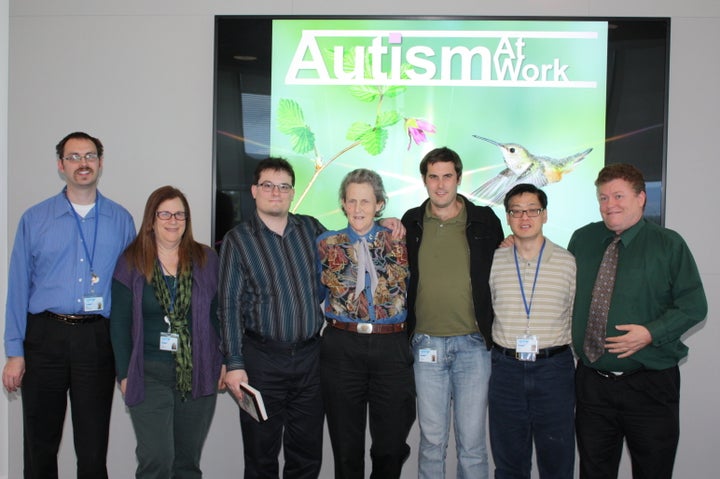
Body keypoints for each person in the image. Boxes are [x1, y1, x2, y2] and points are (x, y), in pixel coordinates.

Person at [219, 157, 404, 478]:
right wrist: (234, 363)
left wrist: (390, 221)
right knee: (261, 455)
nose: (275, 193)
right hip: (262, 361)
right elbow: (228, 304)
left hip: (310, 361)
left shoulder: (311, 230)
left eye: (283, 186)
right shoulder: (238, 240)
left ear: (293, 192)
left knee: (306, 457)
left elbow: (351, 247)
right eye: (268, 185)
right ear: (254, 191)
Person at [2, 131, 135, 479]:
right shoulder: (35, 219)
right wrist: (14, 352)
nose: (83, 163)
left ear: (101, 162)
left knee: (93, 450)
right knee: (40, 445)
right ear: (61, 165)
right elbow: (17, 286)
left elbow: (129, 294)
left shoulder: (121, 220)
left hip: (96, 341)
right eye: (73, 157)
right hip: (44, 337)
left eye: (89, 156)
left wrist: (129, 355)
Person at [569, 163, 707, 479]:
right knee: (594, 471)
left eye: (618, 196)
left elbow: (694, 305)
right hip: (592, 384)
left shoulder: (668, 244)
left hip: (649, 384)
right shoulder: (583, 239)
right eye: (602, 198)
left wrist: (650, 332)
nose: (609, 205)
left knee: (653, 471)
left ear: (641, 198)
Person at [401, 147, 504, 479]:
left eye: (448, 176)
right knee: (431, 442)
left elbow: (503, 265)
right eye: (434, 176)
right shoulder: (410, 221)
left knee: (472, 445)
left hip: (474, 347)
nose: (441, 184)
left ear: (459, 178)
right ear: (425, 180)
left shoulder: (485, 220)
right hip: (426, 344)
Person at [109, 185, 225, 478]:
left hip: (197, 372)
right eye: (165, 214)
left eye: (180, 215)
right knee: (157, 458)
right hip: (148, 373)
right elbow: (119, 323)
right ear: (151, 219)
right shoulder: (131, 261)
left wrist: (223, 360)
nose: (173, 221)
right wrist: (123, 375)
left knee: (186, 463)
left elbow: (220, 314)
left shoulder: (206, 259)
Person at [317, 168, 415, 479]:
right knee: (346, 448)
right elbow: (314, 293)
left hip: (391, 347)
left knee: (390, 446)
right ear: (343, 204)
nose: (359, 209)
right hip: (342, 347)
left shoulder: (400, 240)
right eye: (352, 201)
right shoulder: (325, 244)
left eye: (366, 201)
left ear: (380, 205)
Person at [488, 183, 576, 479]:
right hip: (505, 370)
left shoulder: (568, 262)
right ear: (508, 217)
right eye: (516, 211)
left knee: (557, 461)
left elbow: (576, 314)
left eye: (532, 210)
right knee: (509, 462)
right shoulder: (494, 259)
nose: (524, 217)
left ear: (545, 214)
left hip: (554, 370)